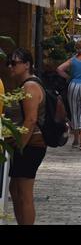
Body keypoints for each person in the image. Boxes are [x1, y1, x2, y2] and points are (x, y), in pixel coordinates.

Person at [6, 48, 46, 225]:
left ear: (27, 64)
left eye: (14, 63)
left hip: (30, 145)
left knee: (24, 193)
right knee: (15, 189)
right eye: (8, 62)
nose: (9, 66)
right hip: (24, 145)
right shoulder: (24, 85)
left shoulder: (30, 86)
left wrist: (20, 145)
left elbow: (30, 119)